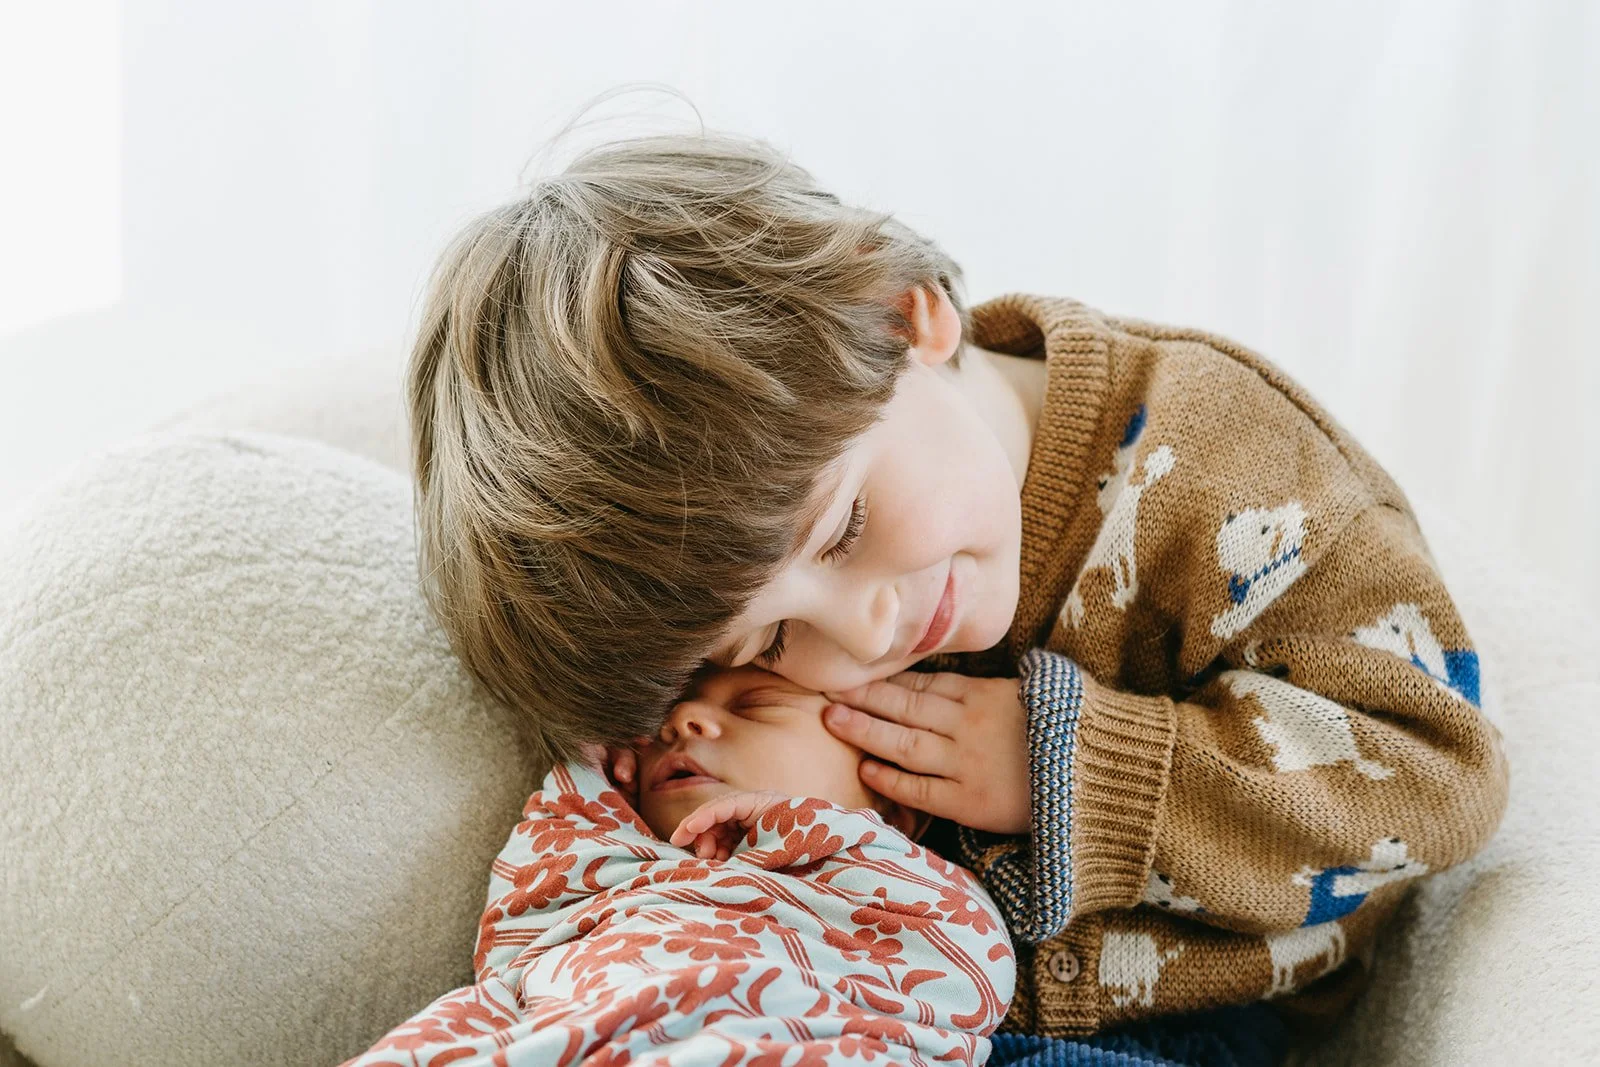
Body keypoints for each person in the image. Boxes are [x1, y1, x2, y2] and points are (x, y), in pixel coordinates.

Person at [404, 118, 1509, 1062]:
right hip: (874, 1007)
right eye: (773, 637)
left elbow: (1433, 773)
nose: (863, 631)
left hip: (1192, 1011)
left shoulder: (1226, 468)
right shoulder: (759, 564)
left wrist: (1068, 770)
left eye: (842, 527)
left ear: (906, 319)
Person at [338, 665, 1014, 1066]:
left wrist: (799, 827)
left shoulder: (905, 897)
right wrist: (595, 752)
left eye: (756, 705)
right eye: (659, 720)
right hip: (565, 1033)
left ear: (896, 807)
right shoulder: (615, 867)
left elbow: (978, 977)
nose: (684, 718)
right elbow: (520, 916)